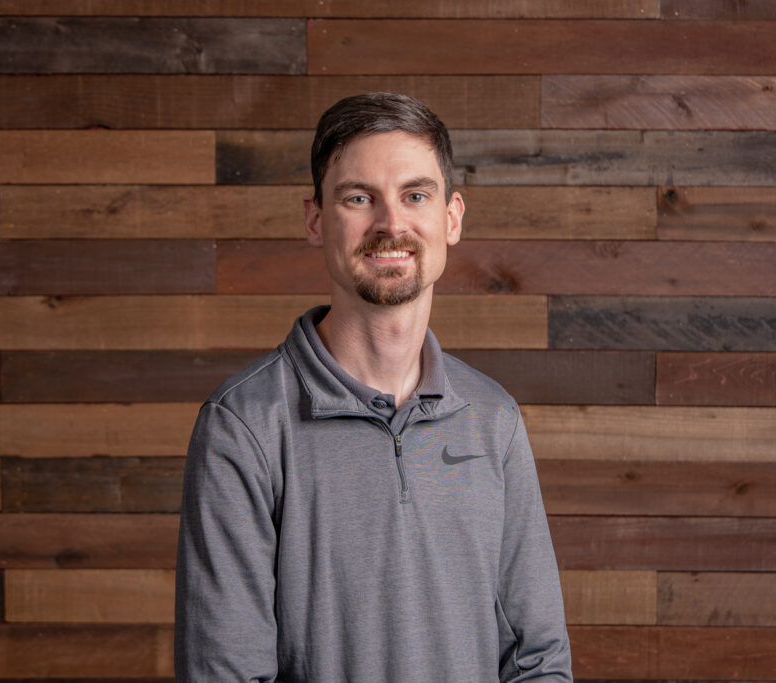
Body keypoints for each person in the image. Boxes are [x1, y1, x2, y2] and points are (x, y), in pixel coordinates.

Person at [175, 92, 571, 682]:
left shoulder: (493, 419)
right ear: (316, 220)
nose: (391, 224)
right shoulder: (244, 427)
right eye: (359, 198)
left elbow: (538, 660)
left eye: (415, 195)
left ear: (451, 218)